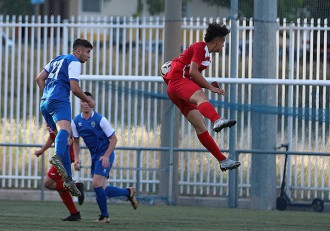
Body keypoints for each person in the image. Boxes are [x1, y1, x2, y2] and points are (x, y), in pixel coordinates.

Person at [162, 22, 240, 171]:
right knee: (201, 97)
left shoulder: (205, 55)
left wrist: (209, 85)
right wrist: (209, 87)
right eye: (223, 43)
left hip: (176, 88)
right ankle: (217, 120)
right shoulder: (200, 47)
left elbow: (192, 78)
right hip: (178, 82)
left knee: (200, 127)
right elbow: (192, 72)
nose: (223, 46)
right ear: (218, 42)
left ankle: (222, 160)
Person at [35, 38, 96, 196]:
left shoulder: (57, 59)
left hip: (45, 103)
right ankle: (56, 157)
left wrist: (46, 95)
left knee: (64, 140)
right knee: (65, 130)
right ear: (78, 51)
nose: (89, 56)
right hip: (60, 99)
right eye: (88, 52)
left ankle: (68, 179)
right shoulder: (74, 61)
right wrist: (88, 99)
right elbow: (74, 88)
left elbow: (39, 78)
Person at [71, 91, 138, 223]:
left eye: (88, 101)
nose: (85, 104)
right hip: (95, 157)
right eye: (83, 101)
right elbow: (76, 141)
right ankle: (128, 192)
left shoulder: (100, 119)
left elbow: (114, 139)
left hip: (105, 154)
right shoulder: (76, 121)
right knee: (103, 189)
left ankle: (104, 216)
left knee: (96, 183)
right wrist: (76, 158)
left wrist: (106, 156)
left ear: (92, 103)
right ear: (80, 102)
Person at [34, 123, 85, 221]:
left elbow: (72, 137)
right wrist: (42, 150)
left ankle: (76, 186)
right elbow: (52, 137)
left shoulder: (59, 115)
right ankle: (74, 213)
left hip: (63, 156)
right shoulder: (49, 117)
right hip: (61, 155)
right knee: (61, 187)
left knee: (48, 183)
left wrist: (69, 138)